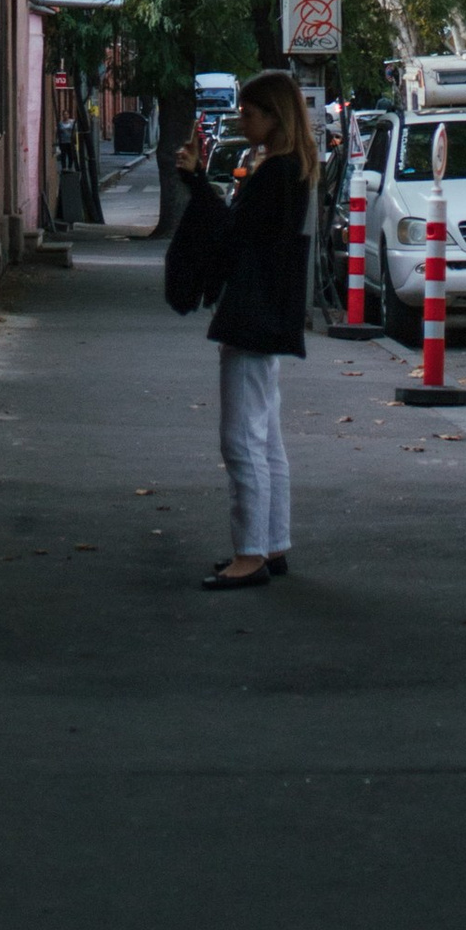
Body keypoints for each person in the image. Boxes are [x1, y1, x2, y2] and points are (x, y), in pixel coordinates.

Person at [172, 69, 319, 591]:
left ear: (274, 116)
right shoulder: (290, 169)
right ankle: (271, 544)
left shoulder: (274, 174)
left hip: (253, 314)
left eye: (250, 112)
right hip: (270, 312)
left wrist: (194, 180)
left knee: (240, 439)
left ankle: (250, 554)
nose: (241, 119)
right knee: (267, 437)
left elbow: (232, 236)